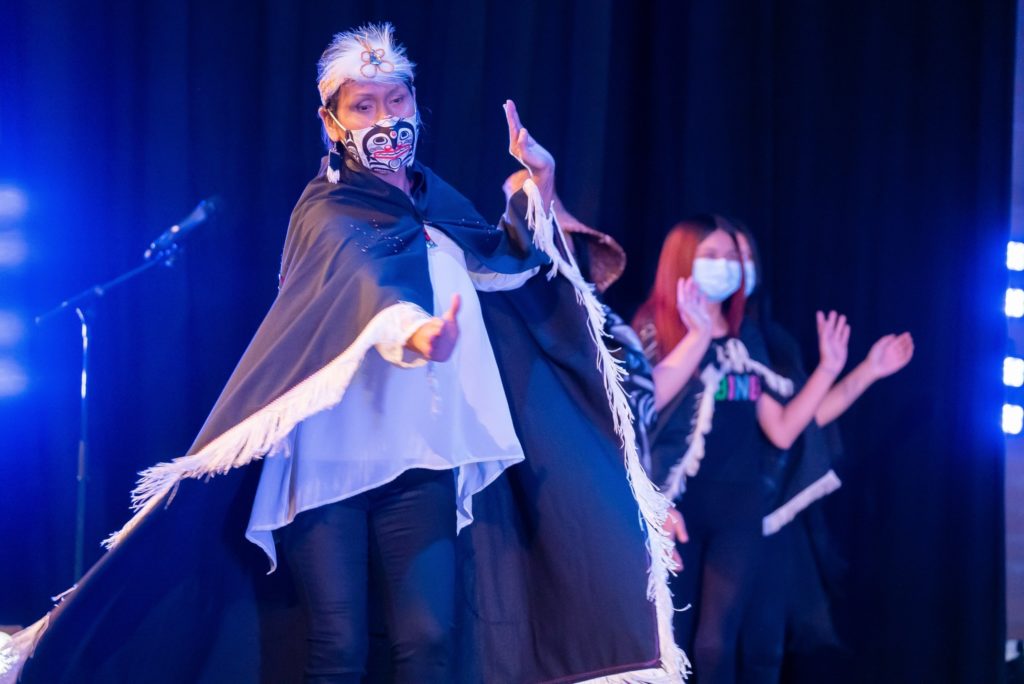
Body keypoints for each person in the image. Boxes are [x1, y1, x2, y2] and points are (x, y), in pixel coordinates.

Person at [4, 23, 685, 684]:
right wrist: (423, 337)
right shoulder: (325, 213)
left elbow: (507, 265)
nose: (386, 117)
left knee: (430, 639)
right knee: (339, 648)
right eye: (364, 104)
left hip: (419, 454)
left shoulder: (434, 202)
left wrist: (542, 184)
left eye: (397, 100)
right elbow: (370, 297)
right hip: (327, 462)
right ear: (331, 121)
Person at [634, 214, 850, 684]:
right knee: (671, 641)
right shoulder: (653, 325)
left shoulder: (745, 335)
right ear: (684, 260)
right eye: (712, 256)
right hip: (677, 505)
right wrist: (696, 338)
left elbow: (783, 429)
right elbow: (638, 405)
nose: (726, 266)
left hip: (739, 506)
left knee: (716, 645)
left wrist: (830, 369)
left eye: (732, 257)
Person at [731, 222, 913, 684]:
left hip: (765, 512)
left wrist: (867, 370)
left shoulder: (768, 340)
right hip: (705, 511)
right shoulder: (686, 339)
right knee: (708, 646)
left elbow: (803, 419)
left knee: (763, 648)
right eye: (721, 256)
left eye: (744, 258)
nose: (736, 268)